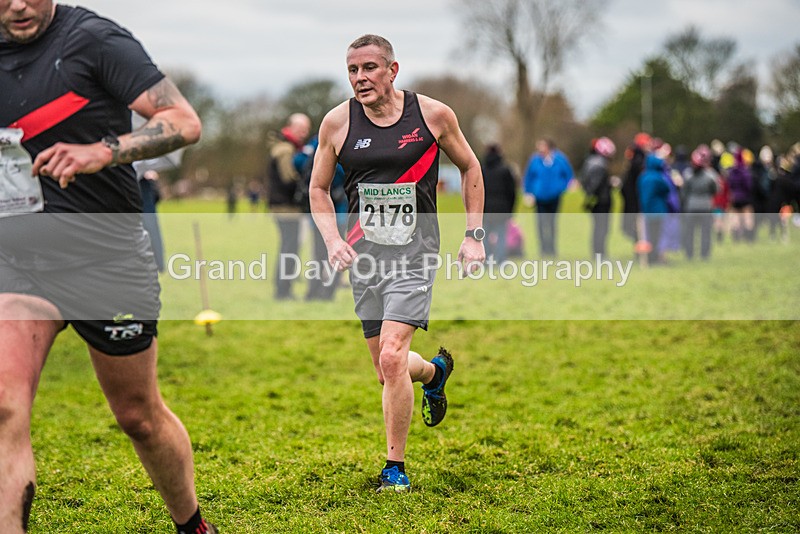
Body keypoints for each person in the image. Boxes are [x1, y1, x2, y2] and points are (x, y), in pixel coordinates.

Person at [0, 2, 216, 533]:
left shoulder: (94, 40)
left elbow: (183, 123)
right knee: (4, 408)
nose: (19, 5)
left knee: (138, 415)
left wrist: (104, 150)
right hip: (20, 263)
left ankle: (191, 524)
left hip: (106, 259)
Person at [309, 34, 485, 493]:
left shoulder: (432, 115)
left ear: (392, 70)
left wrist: (474, 235)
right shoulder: (336, 123)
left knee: (391, 356)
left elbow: (470, 167)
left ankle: (395, 469)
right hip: (365, 257)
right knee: (388, 367)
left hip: (415, 253)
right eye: (352, 70)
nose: (360, 78)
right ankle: (434, 372)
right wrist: (331, 240)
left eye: (369, 68)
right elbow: (317, 189)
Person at [266, 112, 312, 300]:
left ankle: (283, 288)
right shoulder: (285, 149)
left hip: (283, 206)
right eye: (301, 129)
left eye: (306, 130)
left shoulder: (285, 146)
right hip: (285, 207)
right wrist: (305, 182)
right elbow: (288, 178)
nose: (304, 133)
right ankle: (283, 290)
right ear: (291, 126)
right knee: (289, 248)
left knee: (288, 247)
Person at [522, 138, 573, 257]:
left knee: (552, 223)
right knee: (540, 224)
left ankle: (552, 249)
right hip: (539, 197)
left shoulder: (560, 159)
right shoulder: (534, 160)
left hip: (554, 196)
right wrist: (528, 193)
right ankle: (543, 249)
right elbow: (528, 177)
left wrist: (562, 187)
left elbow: (568, 175)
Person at [680, 144, 719, 260]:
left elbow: (684, 192)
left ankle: (689, 254)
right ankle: (704, 254)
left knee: (690, 232)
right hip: (706, 207)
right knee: (705, 232)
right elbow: (715, 189)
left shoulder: (687, 175)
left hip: (691, 207)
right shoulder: (710, 175)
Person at [579, 136, 616, 258]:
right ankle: (600, 254)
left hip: (598, 202)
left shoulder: (589, 162)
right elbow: (595, 186)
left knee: (598, 229)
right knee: (601, 230)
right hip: (601, 203)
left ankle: (598, 253)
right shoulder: (599, 164)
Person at [481, 143, 517, 263]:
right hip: (502, 208)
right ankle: (501, 260)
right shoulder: (505, 170)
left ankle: (486, 260)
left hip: (485, 208)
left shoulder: (482, 170)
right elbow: (512, 191)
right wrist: (511, 209)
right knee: (501, 235)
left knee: (485, 235)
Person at [638, 152, 671, 265]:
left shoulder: (643, 177)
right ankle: (656, 257)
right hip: (658, 211)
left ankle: (649, 258)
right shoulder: (658, 178)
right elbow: (667, 190)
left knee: (649, 235)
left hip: (646, 211)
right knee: (657, 235)